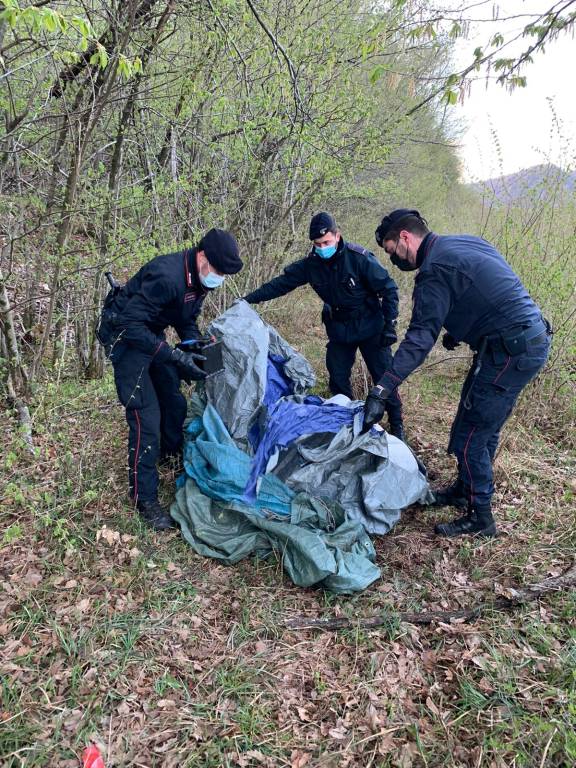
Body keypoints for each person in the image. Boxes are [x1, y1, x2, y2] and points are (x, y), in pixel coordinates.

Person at [364, 209, 551, 537]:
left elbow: (420, 339)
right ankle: (466, 490)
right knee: (478, 423)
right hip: (521, 341)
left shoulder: (434, 270)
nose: (395, 259)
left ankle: (481, 517)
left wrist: (382, 389)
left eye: (393, 250)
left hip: (510, 350)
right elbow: (484, 288)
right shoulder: (460, 243)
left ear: (405, 237)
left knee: (471, 435)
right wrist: (460, 328)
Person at [97, 228, 243, 530]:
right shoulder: (167, 276)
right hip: (125, 338)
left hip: (149, 332)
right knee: (145, 417)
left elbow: (185, 318)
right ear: (202, 256)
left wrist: (195, 346)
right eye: (217, 270)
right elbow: (129, 324)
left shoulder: (199, 280)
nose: (218, 278)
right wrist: (174, 356)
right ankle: (144, 498)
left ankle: (170, 454)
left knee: (173, 400)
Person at [244, 212, 405, 438]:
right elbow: (281, 284)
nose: (322, 248)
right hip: (340, 329)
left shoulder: (359, 258)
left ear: (337, 236)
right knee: (337, 378)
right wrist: (249, 299)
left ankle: (397, 424)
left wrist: (390, 325)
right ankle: (345, 422)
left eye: (327, 242)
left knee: (384, 376)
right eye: (318, 244)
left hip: (370, 325)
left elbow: (389, 289)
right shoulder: (311, 265)